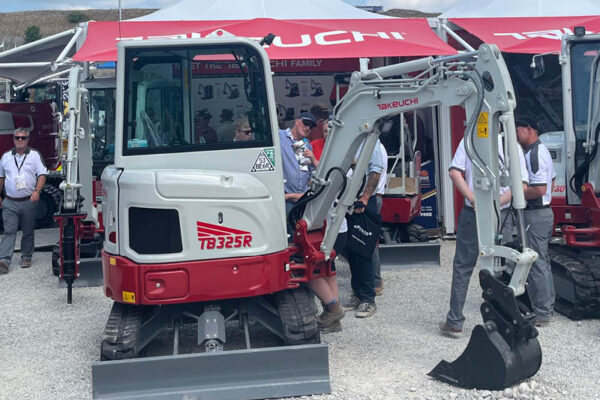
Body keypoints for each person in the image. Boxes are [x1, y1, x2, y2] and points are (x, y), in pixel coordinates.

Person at [439, 135, 528, 337]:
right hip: (501, 215)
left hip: (473, 213)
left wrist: (474, 200)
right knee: (502, 268)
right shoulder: (510, 144)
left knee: (463, 266)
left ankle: (454, 321)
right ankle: (504, 321)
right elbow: (520, 185)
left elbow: (454, 172)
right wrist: (495, 204)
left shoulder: (469, 140)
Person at [516, 117, 556, 327]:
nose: (515, 134)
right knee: (543, 261)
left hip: (536, 213)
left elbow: (539, 189)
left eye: (517, 130)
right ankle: (547, 307)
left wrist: (519, 193)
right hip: (543, 212)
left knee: (536, 262)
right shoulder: (543, 151)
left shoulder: (534, 154)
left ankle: (541, 313)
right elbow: (552, 180)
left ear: (529, 129)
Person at [343, 139, 385, 318]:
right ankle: (358, 294)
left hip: (364, 201)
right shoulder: (349, 136)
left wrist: (366, 197)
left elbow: (376, 169)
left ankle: (368, 299)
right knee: (351, 250)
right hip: (347, 200)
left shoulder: (370, 139)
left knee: (363, 249)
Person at [0, 128, 48, 274]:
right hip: (10, 201)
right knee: (9, 231)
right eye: (17, 138)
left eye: (23, 138)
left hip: (28, 201)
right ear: (13, 139)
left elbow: (42, 174)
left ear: (28, 139)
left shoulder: (34, 155)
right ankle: (4, 260)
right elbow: (1, 177)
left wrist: (37, 191)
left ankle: (26, 256)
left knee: (28, 231)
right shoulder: (6, 157)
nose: (20, 140)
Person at [279, 112, 318, 221]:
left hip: (302, 199)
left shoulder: (307, 145)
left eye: (311, 127)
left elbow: (310, 173)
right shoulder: (279, 136)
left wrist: (313, 159)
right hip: (286, 198)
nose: (307, 128)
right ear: (296, 121)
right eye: (305, 123)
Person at [373, 142, 388, 296]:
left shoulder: (374, 147)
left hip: (371, 198)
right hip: (375, 196)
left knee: (368, 241)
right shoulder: (378, 146)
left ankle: (375, 281)